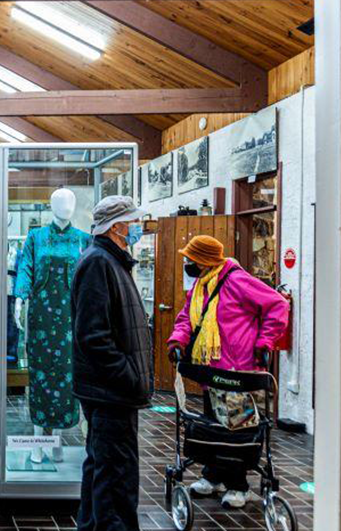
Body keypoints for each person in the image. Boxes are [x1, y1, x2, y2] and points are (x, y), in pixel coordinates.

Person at [166, 234, 289, 508]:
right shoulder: (201, 285)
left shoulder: (237, 280)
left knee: (236, 429)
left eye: (191, 259)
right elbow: (187, 317)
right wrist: (177, 339)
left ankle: (238, 485)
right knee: (214, 426)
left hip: (238, 371)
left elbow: (278, 305)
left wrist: (265, 341)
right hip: (211, 370)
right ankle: (213, 476)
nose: (187, 263)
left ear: (204, 260)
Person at [71, 195, 154, 531]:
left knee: (103, 469)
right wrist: (129, 376)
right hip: (110, 391)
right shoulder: (98, 263)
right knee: (115, 476)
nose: (138, 226)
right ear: (117, 226)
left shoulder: (112, 261)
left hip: (111, 390)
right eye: (133, 221)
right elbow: (93, 335)